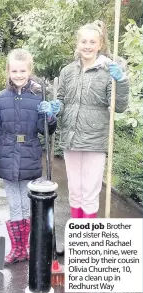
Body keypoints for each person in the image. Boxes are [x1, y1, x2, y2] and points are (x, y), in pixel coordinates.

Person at [0, 48, 59, 265]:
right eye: (14, 70)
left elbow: (47, 130)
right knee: (14, 205)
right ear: (8, 71)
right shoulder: (0, 99)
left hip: (30, 156)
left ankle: (29, 246)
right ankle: (18, 249)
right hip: (6, 157)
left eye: (22, 71)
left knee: (28, 204)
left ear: (29, 71)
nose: (18, 75)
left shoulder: (38, 98)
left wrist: (49, 116)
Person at [56, 22, 129, 219]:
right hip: (71, 139)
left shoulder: (108, 71)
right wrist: (55, 108)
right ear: (77, 44)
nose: (87, 46)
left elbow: (119, 107)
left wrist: (121, 81)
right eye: (83, 41)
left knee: (90, 192)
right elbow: (61, 101)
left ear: (100, 44)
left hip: (95, 140)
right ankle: (77, 238)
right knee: (75, 191)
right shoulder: (67, 71)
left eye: (92, 42)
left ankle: (87, 241)